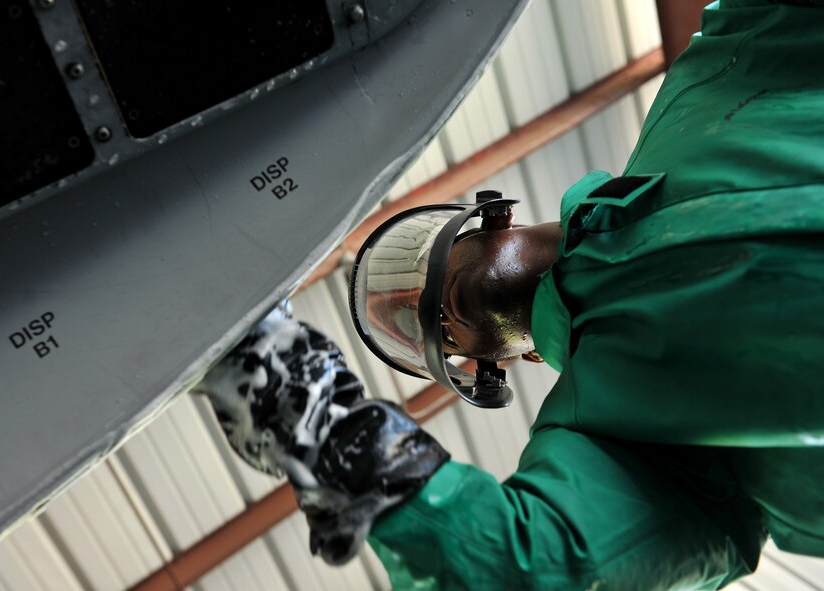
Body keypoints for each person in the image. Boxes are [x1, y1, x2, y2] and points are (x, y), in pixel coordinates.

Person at [195, 1, 824, 589]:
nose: (433, 310)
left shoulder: (702, 89)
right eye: (437, 338)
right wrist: (331, 436)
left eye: (422, 276)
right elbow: (538, 567)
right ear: (515, 361)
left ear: (496, 220)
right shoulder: (613, 435)